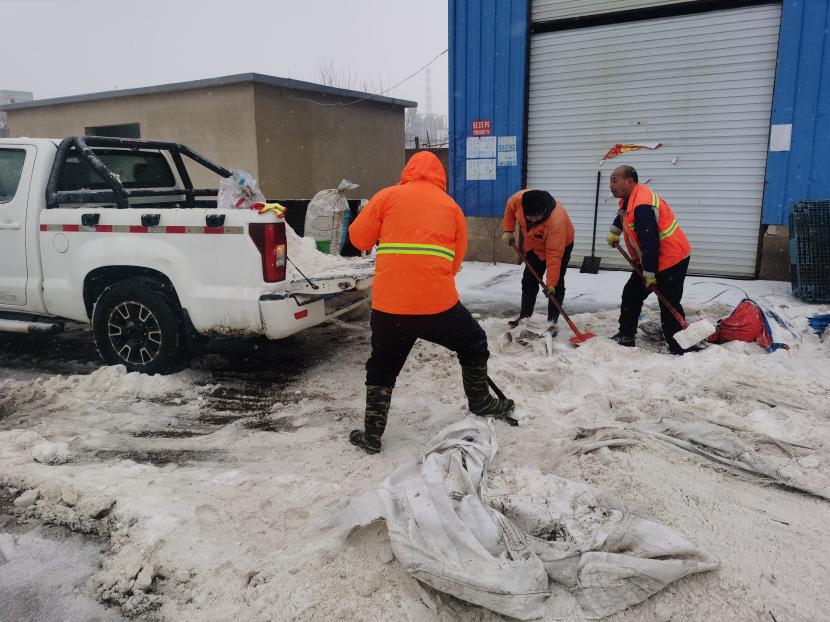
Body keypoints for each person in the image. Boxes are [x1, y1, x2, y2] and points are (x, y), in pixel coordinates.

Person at [347, 151, 515, 454]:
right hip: (437, 306)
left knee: (383, 365)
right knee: (474, 342)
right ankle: (481, 402)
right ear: (440, 177)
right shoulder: (451, 207)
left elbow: (358, 239)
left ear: (407, 172)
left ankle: (372, 434)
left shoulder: (386, 197)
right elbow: (454, 264)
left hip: (390, 307)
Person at [606, 165, 692, 354]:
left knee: (668, 303)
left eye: (614, 180)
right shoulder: (630, 197)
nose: (610, 185)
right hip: (652, 258)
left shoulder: (642, 206)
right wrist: (615, 231)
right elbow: (624, 213)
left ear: (629, 181)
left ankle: (678, 347)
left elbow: (650, 242)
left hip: (671, 259)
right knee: (631, 294)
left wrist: (649, 273)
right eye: (610, 181)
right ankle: (626, 336)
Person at [501, 189, 575, 333]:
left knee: (556, 284)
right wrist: (508, 230)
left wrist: (551, 283)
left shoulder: (556, 221)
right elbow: (510, 207)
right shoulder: (518, 200)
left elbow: (554, 255)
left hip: (560, 246)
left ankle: (552, 323)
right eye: (530, 217)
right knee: (529, 280)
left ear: (544, 211)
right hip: (534, 245)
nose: (533, 221)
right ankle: (524, 317)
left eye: (537, 217)